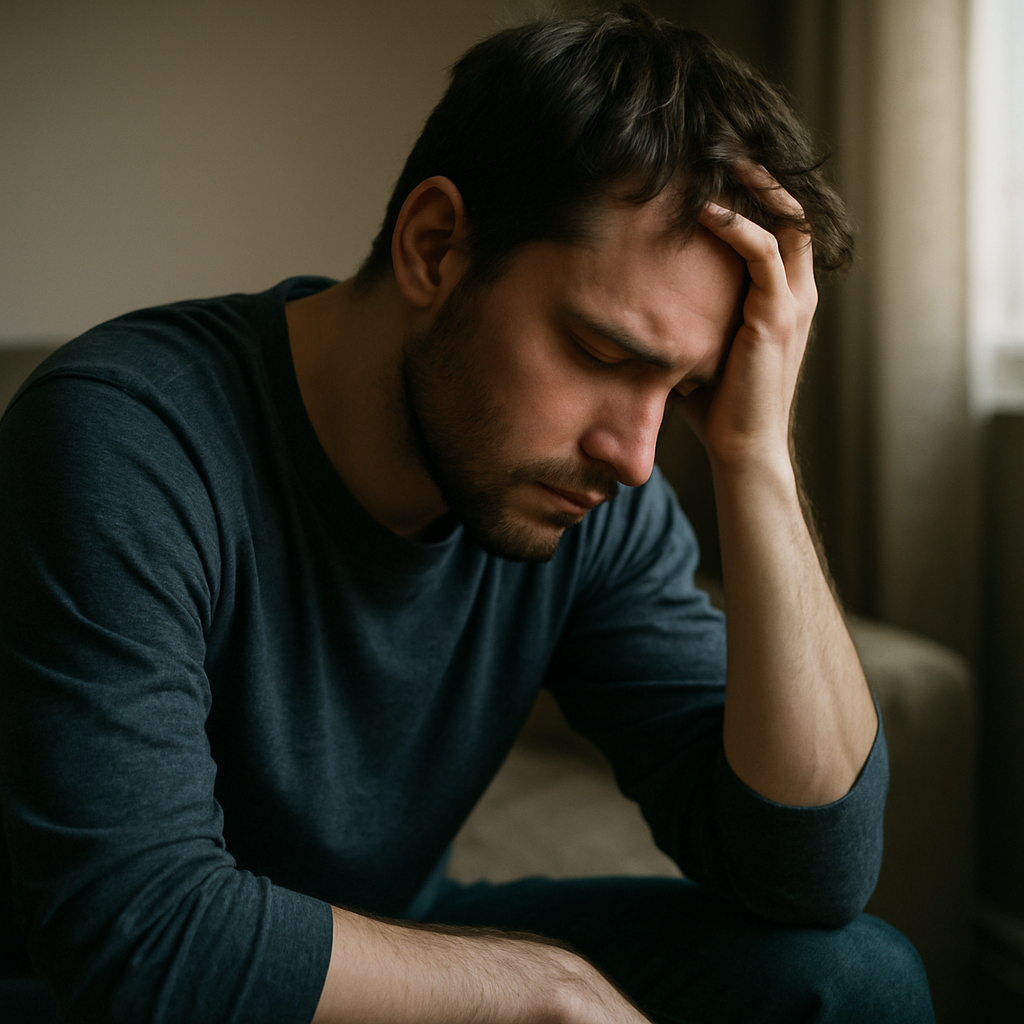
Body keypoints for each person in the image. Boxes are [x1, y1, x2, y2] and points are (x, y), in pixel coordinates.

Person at [0, 4, 934, 1022]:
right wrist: (532, 991)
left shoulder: (595, 499)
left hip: (383, 944)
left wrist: (754, 453)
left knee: (852, 977)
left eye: (683, 390)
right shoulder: (124, 437)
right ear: (435, 246)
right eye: (604, 353)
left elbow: (807, 875)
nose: (633, 455)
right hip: (78, 987)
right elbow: (137, 939)